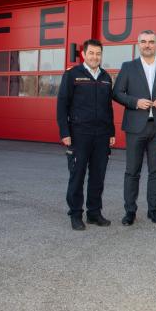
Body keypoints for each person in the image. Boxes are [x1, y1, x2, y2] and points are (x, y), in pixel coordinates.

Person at [113, 30, 156, 226]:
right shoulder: (128, 67)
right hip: (135, 128)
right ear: (138, 44)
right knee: (132, 171)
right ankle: (130, 211)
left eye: (151, 42)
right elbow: (117, 93)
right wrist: (134, 102)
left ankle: (153, 210)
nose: (147, 45)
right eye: (143, 42)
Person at [56, 39, 115, 230]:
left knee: (98, 176)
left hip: (101, 135)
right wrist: (65, 132)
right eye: (91, 53)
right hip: (79, 134)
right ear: (83, 54)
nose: (95, 57)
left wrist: (111, 132)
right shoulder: (73, 75)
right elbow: (62, 105)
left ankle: (94, 213)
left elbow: (108, 107)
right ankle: (75, 214)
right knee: (78, 175)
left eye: (98, 54)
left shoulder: (106, 77)